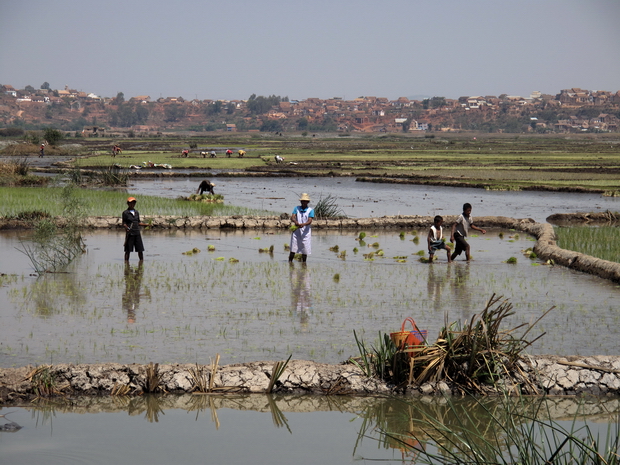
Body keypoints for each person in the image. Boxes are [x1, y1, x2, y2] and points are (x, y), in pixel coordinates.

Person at [288, 193, 314, 263]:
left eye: (305, 201)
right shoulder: (296, 208)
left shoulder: (310, 210)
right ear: (301, 202)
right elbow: (292, 217)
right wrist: (295, 221)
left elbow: (310, 221)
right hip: (296, 231)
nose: (304, 202)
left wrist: (303, 224)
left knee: (304, 248)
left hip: (305, 232)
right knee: (293, 247)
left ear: (308, 202)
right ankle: (290, 262)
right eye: (302, 201)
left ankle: (304, 263)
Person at [122, 197, 148, 261]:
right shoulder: (125, 213)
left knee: (140, 250)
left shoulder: (136, 212)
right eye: (130, 203)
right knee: (128, 250)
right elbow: (124, 223)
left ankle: (141, 264)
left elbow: (138, 222)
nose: (132, 204)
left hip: (137, 233)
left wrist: (146, 225)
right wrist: (127, 228)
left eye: (133, 203)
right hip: (130, 233)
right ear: (128, 204)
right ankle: (126, 265)